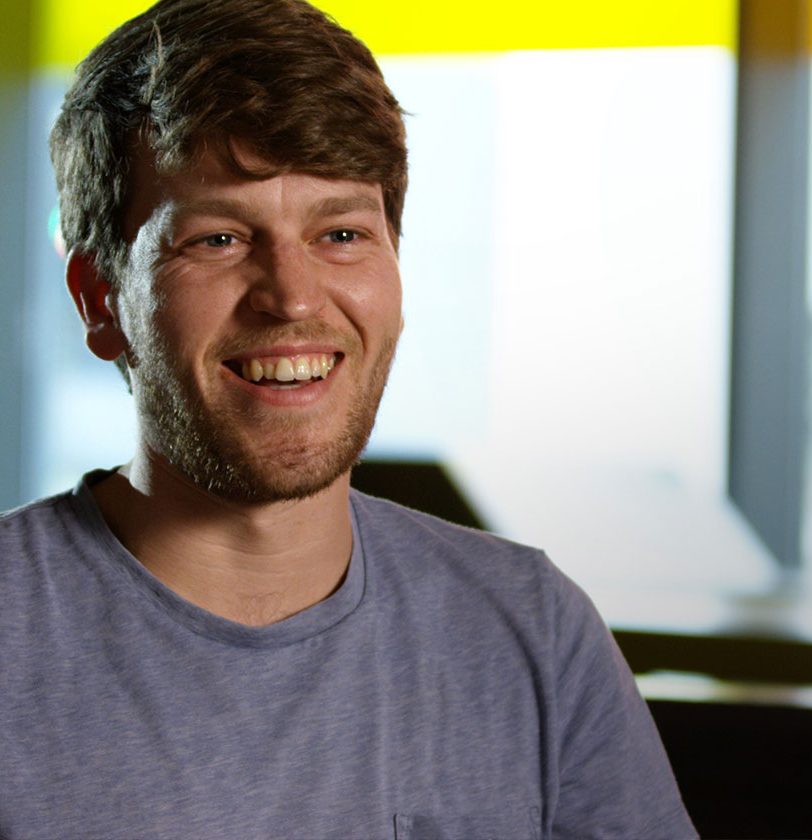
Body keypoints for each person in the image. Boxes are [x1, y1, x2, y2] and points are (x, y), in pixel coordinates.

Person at [0, 1, 696, 837]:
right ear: (100, 298)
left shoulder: (532, 633)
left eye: (340, 233)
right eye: (218, 239)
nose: (292, 296)